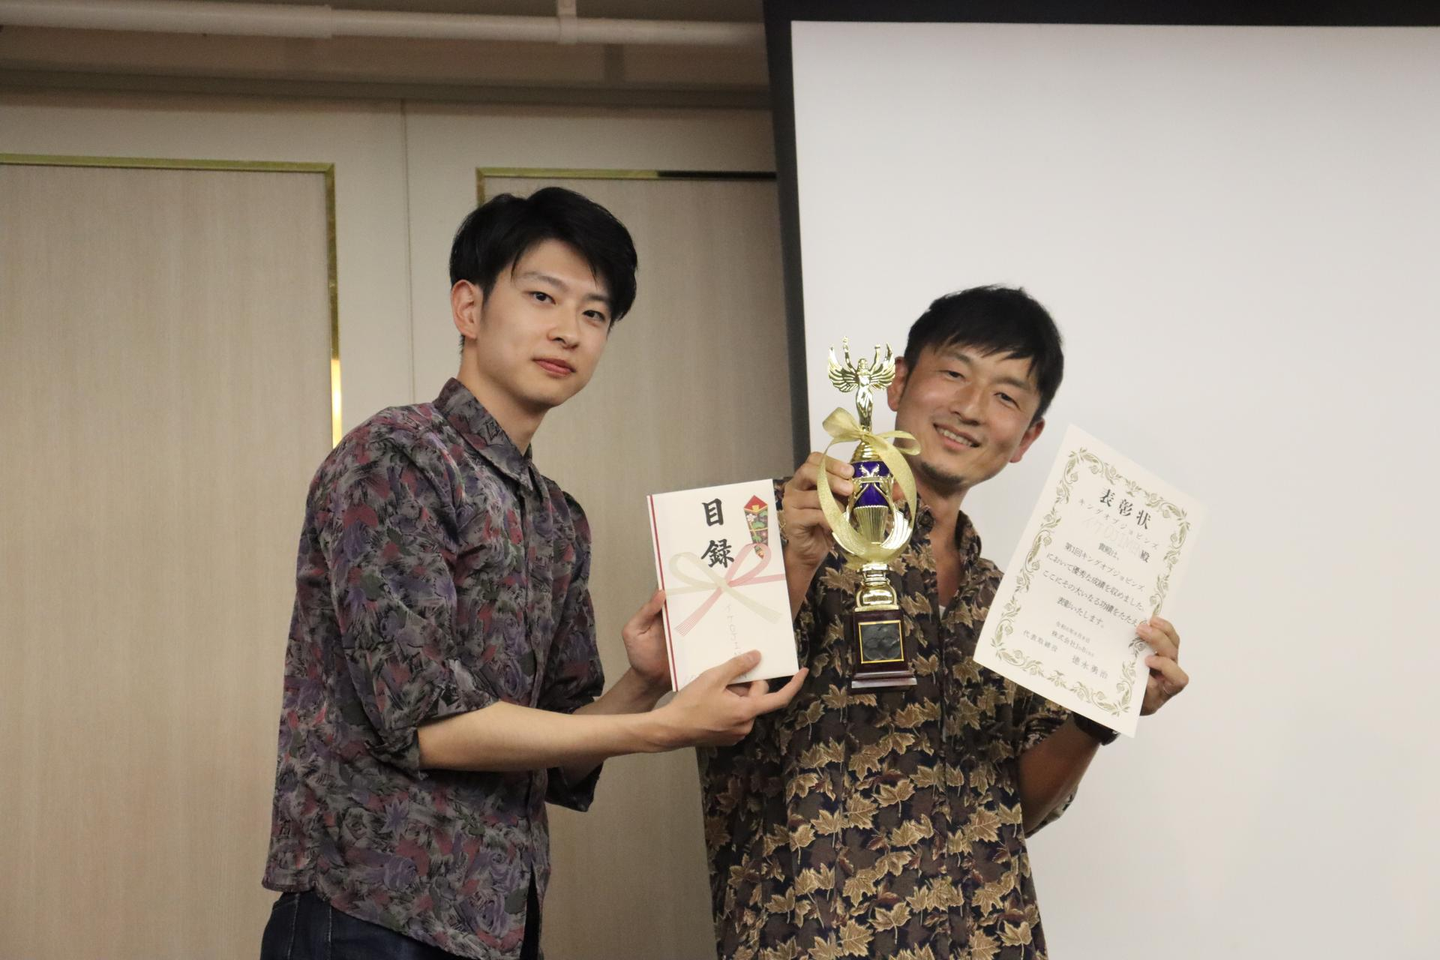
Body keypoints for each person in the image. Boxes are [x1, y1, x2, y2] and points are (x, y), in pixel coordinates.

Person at [260, 187, 805, 960]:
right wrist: (660, 728)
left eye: (595, 313)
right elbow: (423, 722)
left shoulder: (558, 517)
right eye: (543, 297)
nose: (569, 330)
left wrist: (645, 682)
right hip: (369, 914)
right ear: (469, 307)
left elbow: (562, 751)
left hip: (501, 926)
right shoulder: (396, 457)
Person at [699, 285, 1189, 960]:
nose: (971, 408)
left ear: (1027, 438)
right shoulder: (771, 522)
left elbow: (1017, 812)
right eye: (954, 373)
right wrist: (793, 562)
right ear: (899, 382)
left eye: (1006, 396)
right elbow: (703, 701)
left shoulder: (1010, 604)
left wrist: (1100, 710)